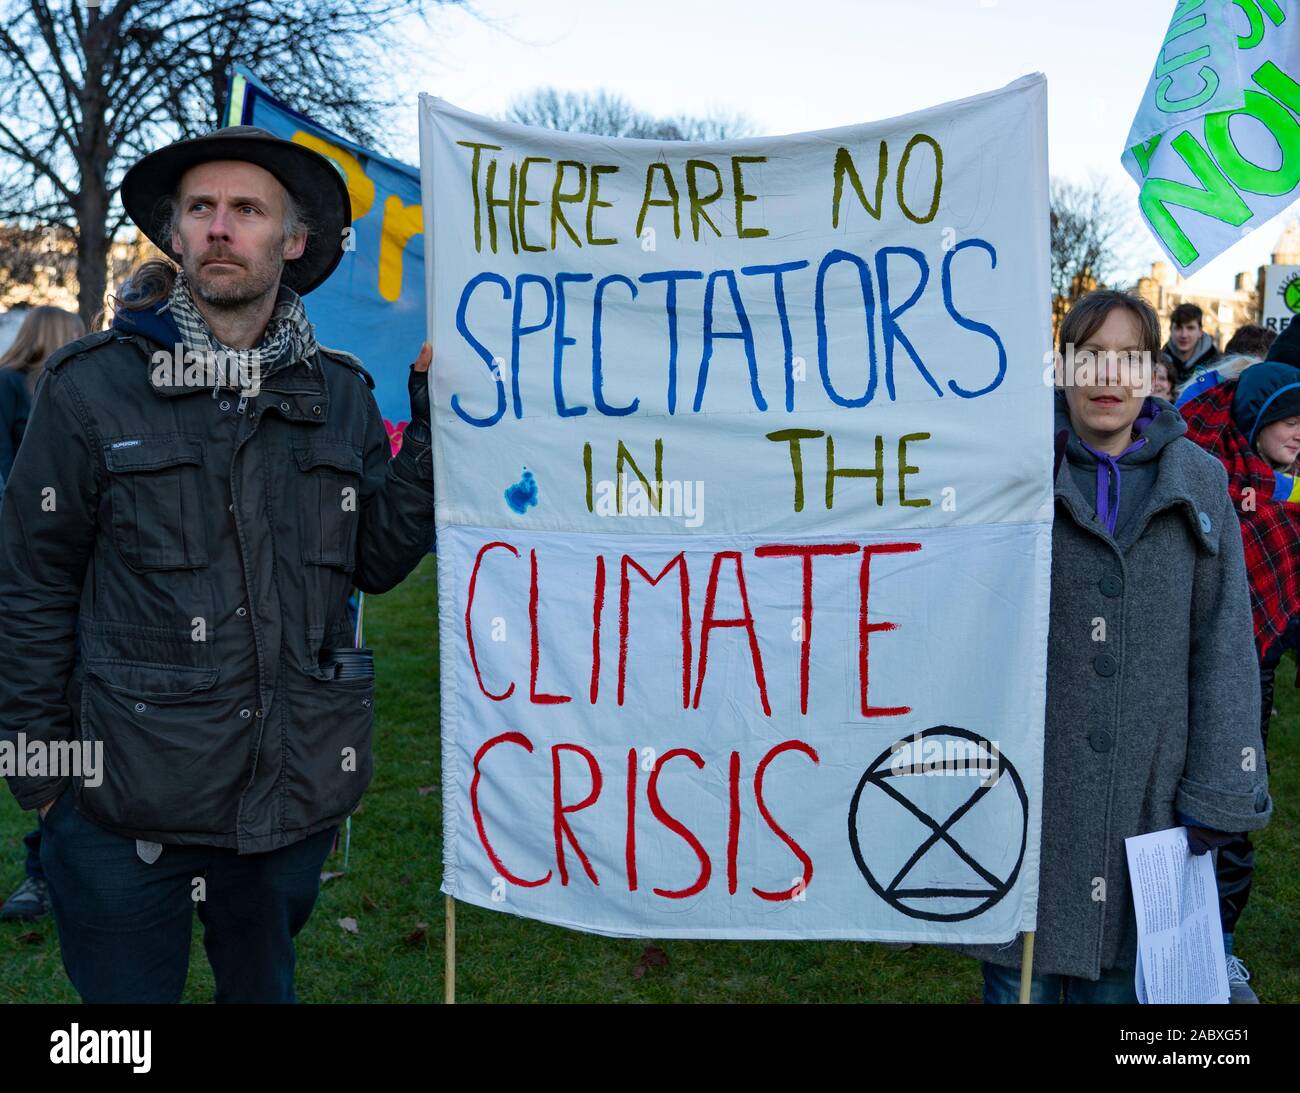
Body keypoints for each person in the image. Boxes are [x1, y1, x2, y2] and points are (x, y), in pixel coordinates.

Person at [0, 125, 436, 1003]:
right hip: (119, 809)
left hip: (287, 802)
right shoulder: (89, 387)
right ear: (177, 233)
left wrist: (433, 432)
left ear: (294, 240)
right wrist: (42, 783)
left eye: (247, 209)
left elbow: (378, 559)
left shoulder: (341, 394)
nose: (220, 227)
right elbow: (30, 582)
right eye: (201, 208)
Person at [961, 289, 1272, 1003]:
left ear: (1155, 372)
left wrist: (1221, 785)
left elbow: (1225, 646)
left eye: (1129, 356)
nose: (1109, 375)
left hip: (1150, 816)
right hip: (1030, 813)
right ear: (1060, 369)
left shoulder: (1197, 481)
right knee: (1021, 981)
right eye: (1089, 356)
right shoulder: (1014, 479)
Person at [1179, 321, 1300, 1001]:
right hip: (1189, 660)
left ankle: (1221, 950)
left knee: (1233, 806)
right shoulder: (1218, 478)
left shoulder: (1290, 491)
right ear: (1257, 418)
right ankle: (1163, 946)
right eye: (1291, 421)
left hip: (1251, 672)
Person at [0, 305, 86, 923]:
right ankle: (46, 867)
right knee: (40, 711)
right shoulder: (12, 388)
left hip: (73, 576)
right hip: (32, 570)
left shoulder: (81, 392)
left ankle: (57, 865)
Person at [1164, 302, 1219, 383]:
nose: (1184, 335)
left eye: (1190, 328)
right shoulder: (1159, 363)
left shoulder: (1216, 366)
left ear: (1200, 331)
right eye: (1178, 328)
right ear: (1170, 330)